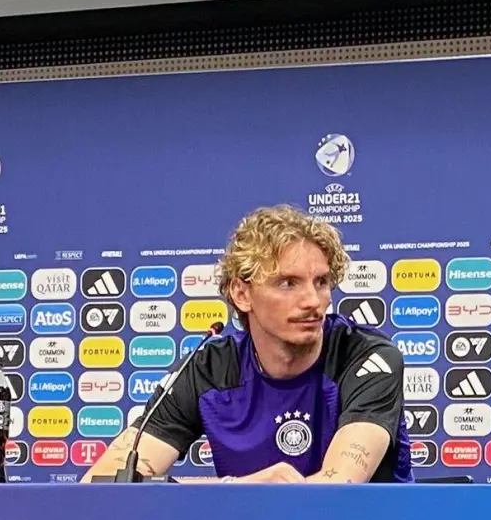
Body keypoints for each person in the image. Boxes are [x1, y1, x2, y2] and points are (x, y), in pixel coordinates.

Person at [82, 205, 409, 484]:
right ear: (241, 294)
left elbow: (338, 485)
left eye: (321, 282)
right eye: (287, 283)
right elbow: (106, 484)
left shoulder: (368, 357)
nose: (313, 301)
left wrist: (240, 495)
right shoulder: (208, 368)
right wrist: (233, 488)